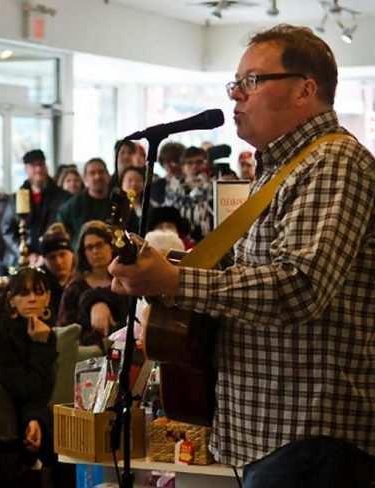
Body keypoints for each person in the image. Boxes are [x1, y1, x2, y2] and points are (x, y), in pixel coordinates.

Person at [109, 24, 375, 487]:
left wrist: (175, 283)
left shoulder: (333, 162)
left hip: (311, 429)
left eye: (251, 81)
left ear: (304, 89)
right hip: (276, 428)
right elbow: (252, 275)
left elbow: (300, 286)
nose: (235, 95)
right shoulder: (283, 167)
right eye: (234, 83)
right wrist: (162, 269)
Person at [0, 267, 58, 469]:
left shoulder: (43, 333)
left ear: (48, 298)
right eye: (23, 294)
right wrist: (38, 346)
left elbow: (41, 392)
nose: (32, 299)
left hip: (23, 415)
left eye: (38, 292)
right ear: (11, 300)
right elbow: (25, 391)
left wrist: (34, 419)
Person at [57, 221, 127, 350]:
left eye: (99, 245)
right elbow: (65, 330)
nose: (95, 251)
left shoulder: (124, 281)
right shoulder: (74, 288)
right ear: (83, 253)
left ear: (111, 245)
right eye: (89, 248)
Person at [1, 149, 71, 269]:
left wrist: (48, 253)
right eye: (34, 166)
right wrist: (24, 253)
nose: (38, 169)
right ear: (27, 169)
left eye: (41, 164)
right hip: (22, 260)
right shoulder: (16, 198)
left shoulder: (62, 197)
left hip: (55, 260)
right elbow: (7, 230)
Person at [57, 158, 112, 249]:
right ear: (85, 178)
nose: (97, 177)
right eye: (92, 173)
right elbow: (62, 236)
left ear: (108, 175)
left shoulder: (120, 202)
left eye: (101, 172)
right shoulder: (71, 207)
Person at [38, 223, 74, 326]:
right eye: (52, 257)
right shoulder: (41, 285)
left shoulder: (83, 278)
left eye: (62, 254)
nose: (58, 262)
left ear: (72, 254)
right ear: (44, 260)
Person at [149, 141, 185, 207]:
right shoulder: (157, 186)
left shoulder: (191, 183)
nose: (171, 165)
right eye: (167, 162)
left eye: (175, 161)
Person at [119, 166, 146, 233]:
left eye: (138, 181)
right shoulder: (116, 205)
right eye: (130, 180)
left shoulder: (149, 206)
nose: (134, 184)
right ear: (122, 183)